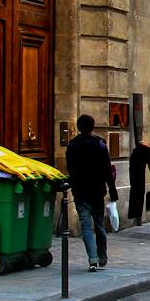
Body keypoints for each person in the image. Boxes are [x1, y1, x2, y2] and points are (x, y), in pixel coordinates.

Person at [64, 114, 120, 270]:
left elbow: (70, 169)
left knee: (86, 227)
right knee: (99, 225)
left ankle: (93, 259)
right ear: (92, 126)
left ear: (79, 127)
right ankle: (102, 256)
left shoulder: (73, 145)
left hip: (80, 192)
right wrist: (113, 191)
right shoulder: (100, 145)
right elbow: (107, 170)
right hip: (97, 192)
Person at [127, 136, 150, 225]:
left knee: (135, 195)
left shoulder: (135, 152)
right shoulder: (144, 152)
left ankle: (135, 214)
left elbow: (131, 166)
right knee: (139, 196)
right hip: (139, 176)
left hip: (134, 177)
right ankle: (137, 215)